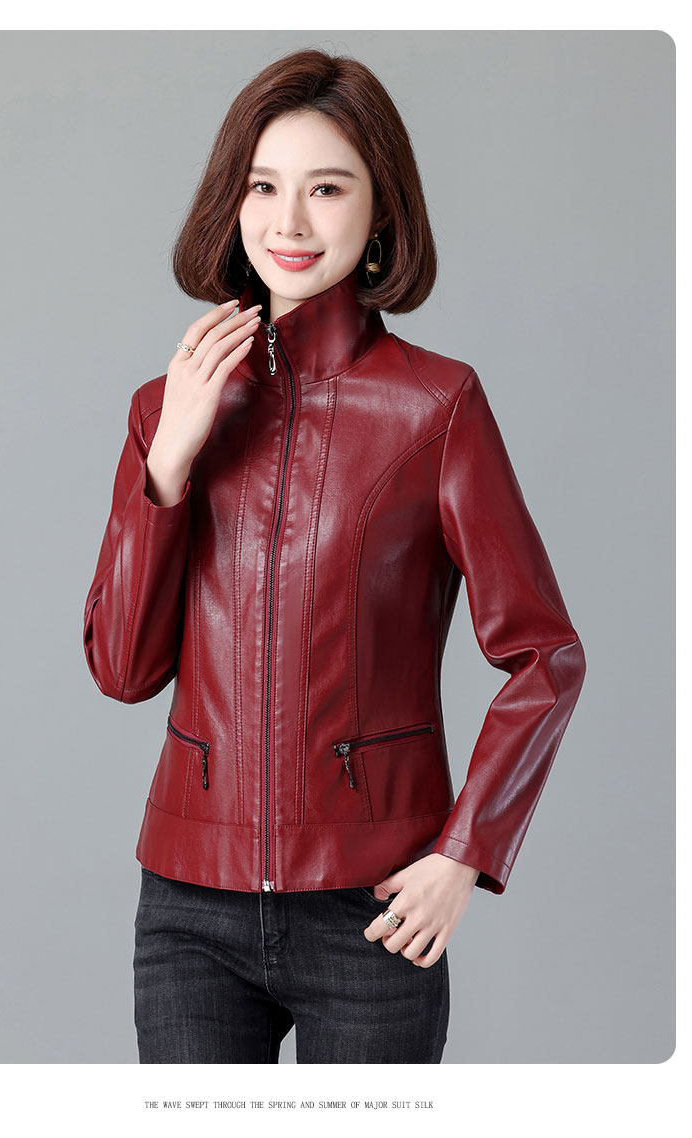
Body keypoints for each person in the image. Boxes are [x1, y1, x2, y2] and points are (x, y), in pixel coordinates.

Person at [82, 49, 586, 1064]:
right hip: (188, 905)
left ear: (380, 208)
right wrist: (167, 464)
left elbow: (545, 655)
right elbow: (123, 670)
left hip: (372, 907)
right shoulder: (163, 408)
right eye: (263, 187)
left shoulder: (435, 407)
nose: (290, 223)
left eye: (326, 188)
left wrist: (464, 852)